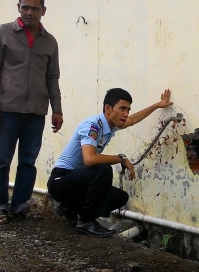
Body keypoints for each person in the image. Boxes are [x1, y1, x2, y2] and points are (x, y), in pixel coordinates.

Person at [0, 0, 64, 225]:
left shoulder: (50, 42)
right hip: (6, 109)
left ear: (43, 11)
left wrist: (57, 109)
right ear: (18, 7)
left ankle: (20, 204)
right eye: (25, 7)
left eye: (35, 8)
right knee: (2, 159)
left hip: (36, 112)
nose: (29, 12)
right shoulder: (3, 33)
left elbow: (52, 78)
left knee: (28, 160)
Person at [47, 88, 172, 237]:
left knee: (120, 197)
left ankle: (69, 208)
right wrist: (121, 159)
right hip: (60, 181)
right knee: (103, 169)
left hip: (77, 182)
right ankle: (85, 222)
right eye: (122, 109)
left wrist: (157, 105)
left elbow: (133, 120)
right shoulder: (93, 125)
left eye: (128, 110)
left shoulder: (110, 125)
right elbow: (90, 159)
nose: (126, 114)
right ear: (108, 108)